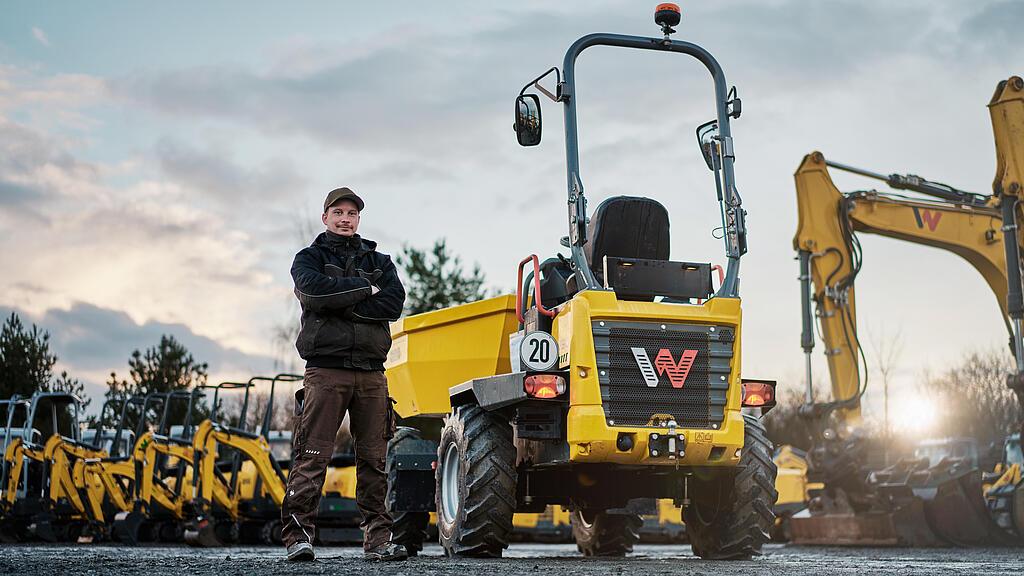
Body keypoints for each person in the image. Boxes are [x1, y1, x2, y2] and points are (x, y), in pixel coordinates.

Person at [282, 186, 408, 562]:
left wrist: (342, 304)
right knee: (312, 455)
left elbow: (393, 303)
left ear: (358, 219)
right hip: (326, 371)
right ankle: (298, 538)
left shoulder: (380, 261)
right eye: (337, 212)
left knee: (374, 461)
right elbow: (314, 294)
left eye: (351, 213)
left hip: (371, 374)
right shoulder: (309, 258)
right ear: (325, 217)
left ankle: (378, 541)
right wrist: (365, 289)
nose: (345, 219)